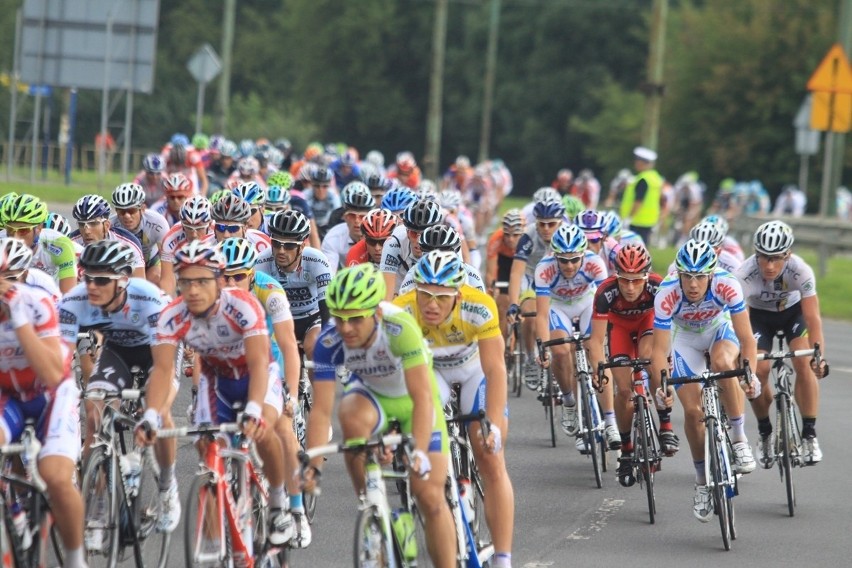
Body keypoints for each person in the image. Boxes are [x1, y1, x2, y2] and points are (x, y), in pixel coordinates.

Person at [134, 240, 294, 546]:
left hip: (256, 376)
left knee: (265, 430)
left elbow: (261, 363)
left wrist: (254, 411)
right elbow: (163, 371)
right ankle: (218, 522)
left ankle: (277, 502)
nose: (193, 290)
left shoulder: (243, 305)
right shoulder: (172, 315)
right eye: (186, 281)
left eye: (202, 281)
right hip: (217, 381)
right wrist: (152, 415)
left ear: (220, 281)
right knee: (207, 445)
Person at [311, 264, 456, 567]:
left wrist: (419, 451)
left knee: (428, 496)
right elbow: (321, 410)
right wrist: (312, 465)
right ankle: (372, 508)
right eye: (339, 318)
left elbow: (422, 397)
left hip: (414, 400)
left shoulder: (399, 328)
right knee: (348, 417)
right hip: (373, 397)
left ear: (376, 312)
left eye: (355, 319)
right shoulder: (328, 341)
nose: (346, 328)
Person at [394, 251, 515, 568]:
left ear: (458, 295)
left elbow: (495, 370)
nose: (431, 304)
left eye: (441, 297)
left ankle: (503, 558)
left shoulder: (479, 306)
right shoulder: (402, 310)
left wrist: (495, 426)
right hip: (431, 372)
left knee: (490, 458)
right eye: (425, 295)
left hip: (472, 370)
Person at [57, 241, 176, 542]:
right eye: (88, 278)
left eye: (101, 280)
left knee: (159, 410)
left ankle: (167, 485)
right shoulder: (74, 301)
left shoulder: (149, 299)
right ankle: (96, 504)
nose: (92, 287)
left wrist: (150, 412)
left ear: (122, 281)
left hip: (155, 353)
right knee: (94, 412)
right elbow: (58, 360)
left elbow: (163, 367)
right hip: (118, 351)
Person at [650, 240, 758, 522]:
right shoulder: (666, 294)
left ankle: (739, 439)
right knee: (694, 411)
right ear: (680, 274)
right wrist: (663, 388)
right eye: (687, 276)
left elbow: (746, 338)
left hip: (717, 331)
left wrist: (750, 373)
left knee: (724, 363)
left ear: (711, 273)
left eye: (699, 276)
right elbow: (660, 351)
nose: (693, 284)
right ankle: (701, 481)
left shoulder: (727, 284)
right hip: (684, 340)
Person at [218, 237, 310, 546]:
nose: (231, 283)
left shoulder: (269, 292)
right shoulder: (208, 293)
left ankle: (294, 509)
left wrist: (293, 395)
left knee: (282, 429)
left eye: (238, 276)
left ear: (251, 275)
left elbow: (288, 344)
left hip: (270, 360)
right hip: (232, 365)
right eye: (225, 276)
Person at [0, 240, 86, 567]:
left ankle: (77, 560)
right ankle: (16, 514)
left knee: (56, 477)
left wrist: (19, 322)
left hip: (50, 395)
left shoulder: (36, 304)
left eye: (5, 280)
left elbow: (52, 373)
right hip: (8, 397)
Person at [733, 221, 828, 466]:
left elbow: (812, 318)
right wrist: (741, 358)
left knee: (803, 360)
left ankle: (809, 433)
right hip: (757, 318)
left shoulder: (801, 270)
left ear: (788, 255)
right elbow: (736, 322)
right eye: (764, 258)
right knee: (759, 370)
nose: (770, 266)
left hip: (792, 315)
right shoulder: (743, 275)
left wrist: (820, 357)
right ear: (756, 255)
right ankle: (764, 432)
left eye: (776, 259)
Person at [588, 244, 679, 487]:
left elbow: (669, 328)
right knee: (624, 390)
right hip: (619, 329)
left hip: (647, 322)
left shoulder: (658, 287)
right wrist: (598, 367)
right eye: (624, 280)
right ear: (616, 275)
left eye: (636, 281)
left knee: (650, 358)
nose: (629, 288)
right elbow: (596, 341)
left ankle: (666, 424)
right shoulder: (605, 292)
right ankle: (627, 450)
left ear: (646, 276)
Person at [533, 225, 609, 449]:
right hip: (559, 308)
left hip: (587, 303)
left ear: (583, 255)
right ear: (554, 255)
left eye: (574, 260)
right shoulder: (544, 269)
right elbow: (543, 313)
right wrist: (542, 346)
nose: (569, 265)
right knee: (560, 350)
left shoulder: (595, 263)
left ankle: (604, 414)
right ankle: (568, 401)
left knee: (594, 347)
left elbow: (605, 304)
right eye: (563, 260)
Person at [507, 196, 564, 385]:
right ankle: (531, 358)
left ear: (561, 221)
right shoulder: (528, 236)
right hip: (532, 278)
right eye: (542, 224)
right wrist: (514, 303)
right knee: (531, 316)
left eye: (551, 224)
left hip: (558, 280)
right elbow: (516, 272)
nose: (546, 229)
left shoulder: (567, 234)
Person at [3, 194, 78, 293]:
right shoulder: (2, 242)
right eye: (10, 229)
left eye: (23, 230)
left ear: (39, 228)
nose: (15, 237)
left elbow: (68, 297)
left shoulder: (59, 245)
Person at [379, 198, 445, 298]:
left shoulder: (447, 244)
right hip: (399, 289)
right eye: (414, 233)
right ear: (407, 232)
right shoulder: (394, 242)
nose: (418, 241)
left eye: (424, 234)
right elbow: (386, 296)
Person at [70, 195, 146, 280]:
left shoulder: (128, 243)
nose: (87, 231)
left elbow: (140, 283)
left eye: (93, 224)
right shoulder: (71, 243)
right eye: (81, 224)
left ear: (106, 225)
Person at [110, 183, 170, 285]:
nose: (127, 216)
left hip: (151, 260)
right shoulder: (110, 224)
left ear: (142, 208)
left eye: (131, 210)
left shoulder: (157, 222)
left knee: (156, 278)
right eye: (121, 211)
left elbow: (166, 258)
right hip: (125, 264)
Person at [398, 225, 485, 293]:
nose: (439, 260)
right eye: (432, 254)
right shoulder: (413, 272)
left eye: (445, 255)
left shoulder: (470, 273)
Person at [159, 195, 213, 297]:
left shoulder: (217, 232)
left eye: (199, 228)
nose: (194, 234)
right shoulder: (171, 237)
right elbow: (167, 279)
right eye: (188, 228)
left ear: (209, 224)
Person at [321, 182, 376, 273]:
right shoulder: (333, 237)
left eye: (362, 216)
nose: (357, 221)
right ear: (344, 217)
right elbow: (328, 276)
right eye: (352, 216)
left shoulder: (382, 239)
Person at [620, 147, 663, 245]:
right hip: (649, 218)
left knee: (633, 246)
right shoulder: (655, 178)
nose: (635, 163)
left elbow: (638, 201)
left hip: (637, 219)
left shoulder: (643, 179)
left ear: (642, 163)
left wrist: (629, 217)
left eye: (637, 161)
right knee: (643, 245)